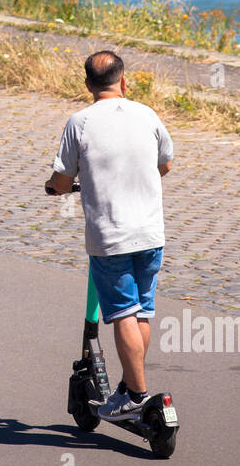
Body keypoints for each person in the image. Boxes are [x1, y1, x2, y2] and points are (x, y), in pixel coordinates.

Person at [47, 50, 172, 420]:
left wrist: (57, 187)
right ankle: (129, 386)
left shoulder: (80, 122)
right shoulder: (147, 114)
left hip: (110, 238)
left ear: (87, 85)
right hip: (150, 233)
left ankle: (135, 396)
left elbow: (63, 178)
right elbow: (164, 164)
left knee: (122, 314)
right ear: (124, 81)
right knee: (141, 312)